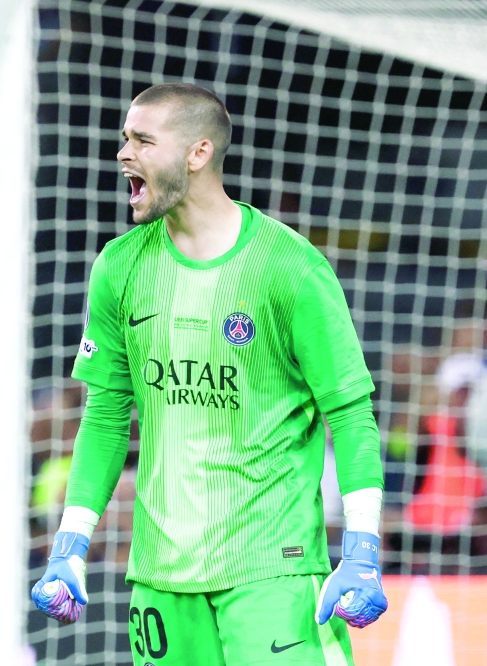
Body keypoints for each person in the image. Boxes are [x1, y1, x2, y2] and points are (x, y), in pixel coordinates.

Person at [30, 84, 387, 665]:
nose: (123, 153)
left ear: (198, 153)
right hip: (160, 576)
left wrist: (363, 549)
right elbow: (104, 416)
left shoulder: (290, 267)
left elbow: (350, 415)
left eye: (142, 140)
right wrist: (70, 546)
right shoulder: (118, 267)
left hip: (273, 570)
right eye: (125, 138)